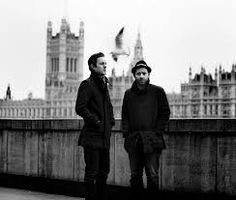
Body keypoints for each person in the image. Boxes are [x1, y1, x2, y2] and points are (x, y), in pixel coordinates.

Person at [121, 60, 170, 200]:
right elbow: (124, 115)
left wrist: (157, 133)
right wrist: (127, 135)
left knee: (152, 175)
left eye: (144, 73)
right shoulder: (128, 94)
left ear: (149, 74)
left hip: (152, 140)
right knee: (135, 175)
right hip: (134, 140)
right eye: (138, 74)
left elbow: (165, 113)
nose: (141, 76)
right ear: (134, 76)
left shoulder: (158, 91)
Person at [75, 52, 115, 200]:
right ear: (92, 66)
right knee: (92, 172)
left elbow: (108, 107)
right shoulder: (87, 84)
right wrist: (95, 121)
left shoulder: (105, 83)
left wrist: (110, 122)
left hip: (104, 136)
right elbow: (80, 107)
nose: (105, 66)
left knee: (104, 172)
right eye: (101, 63)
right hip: (92, 136)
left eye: (105, 63)